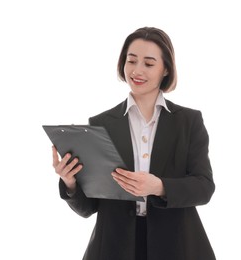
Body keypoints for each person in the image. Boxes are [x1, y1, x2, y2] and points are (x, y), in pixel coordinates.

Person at [52, 26, 216, 260]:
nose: (137, 71)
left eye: (149, 64)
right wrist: (70, 182)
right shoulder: (101, 123)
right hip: (114, 248)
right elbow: (89, 208)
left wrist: (158, 186)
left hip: (177, 246)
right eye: (131, 61)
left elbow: (204, 187)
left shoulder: (188, 121)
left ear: (165, 68)